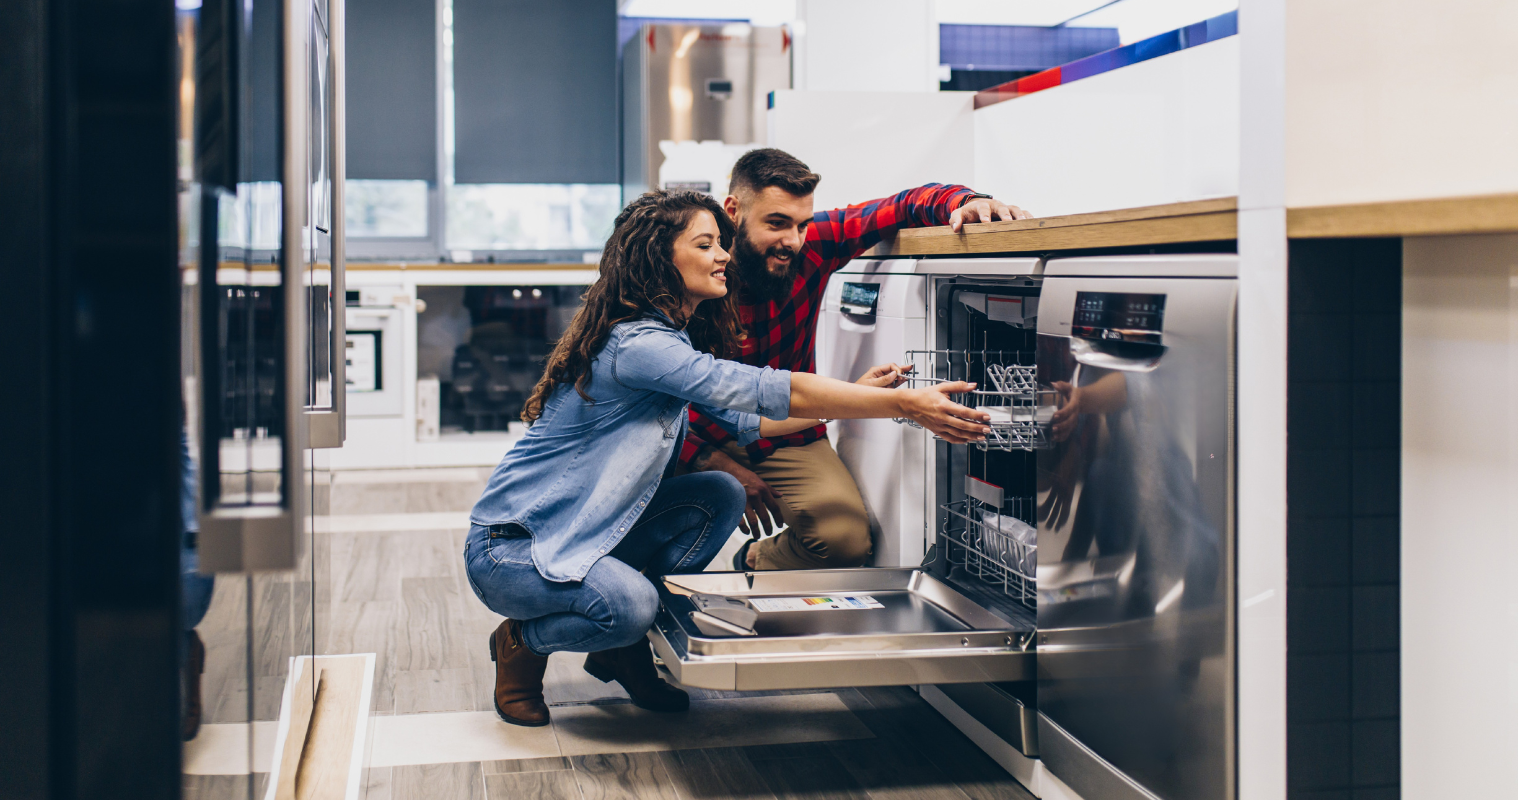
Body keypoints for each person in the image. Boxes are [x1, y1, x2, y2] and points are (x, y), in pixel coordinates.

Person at [463, 190, 989, 727]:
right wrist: (897, 403)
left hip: (586, 532)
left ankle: (622, 646)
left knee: (719, 492)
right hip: (516, 546)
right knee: (630, 605)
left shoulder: (672, 336)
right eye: (706, 244)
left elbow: (751, 422)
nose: (724, 256)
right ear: (659, 256)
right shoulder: (639, 345)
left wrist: (859, 395)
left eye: (723, 243)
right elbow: (756, 387)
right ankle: (523, 642)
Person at [680, 148, 1032, 571]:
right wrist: (706, 460)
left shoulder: (811, 247)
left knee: (843, 541)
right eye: (776, 223)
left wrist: (967, 201)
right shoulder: (689, 269)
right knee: (656, 513)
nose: (792, 241)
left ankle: (755, 560)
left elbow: (898, 205)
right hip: (690, 432)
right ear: (732, 211)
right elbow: (639, 401)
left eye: (802, 225)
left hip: (788, 423)